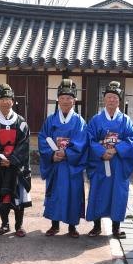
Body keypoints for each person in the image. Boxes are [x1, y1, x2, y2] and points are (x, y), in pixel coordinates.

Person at [85, 81, 133, 239]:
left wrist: (116, 150)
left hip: (118, 164)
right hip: (100, 162)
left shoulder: (126, 120)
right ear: (104, 99)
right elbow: (90, 140)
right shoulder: (95, 120)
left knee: (118, 194)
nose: (111, 100)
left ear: (119, 101)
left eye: (115, 98)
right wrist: (102, 152)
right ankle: (96, 226)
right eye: (109, 97)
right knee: (97, 192)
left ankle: (116, 228)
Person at [0, 84, 32, 237]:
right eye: (2, 99)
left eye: (8, 99)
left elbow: (24, 144)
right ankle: (4, 224)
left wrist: (13, 159)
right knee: (3, 195)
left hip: (16, 167)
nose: (5, 102)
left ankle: (19, 225)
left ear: (13, 101)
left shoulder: (21, 122)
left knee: (18, 196)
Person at [38, 79, 88, 238]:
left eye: (69, 98)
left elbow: (82, 141)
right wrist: (52, 155)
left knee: (73, 194)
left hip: (72, 166)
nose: (65, 101)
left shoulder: (79, 121)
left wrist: (66, 153)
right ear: (58, 100)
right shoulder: (50, 120)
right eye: (62, 98)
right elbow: (42, 138)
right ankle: (54, 225)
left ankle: (72, 227)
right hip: (56, 165)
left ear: (74, 101)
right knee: (55, 194)